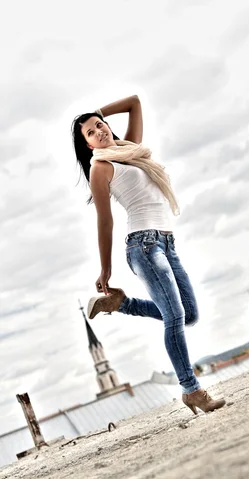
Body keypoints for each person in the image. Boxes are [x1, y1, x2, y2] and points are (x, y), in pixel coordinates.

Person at [71, 94, 225, 415]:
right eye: (91, 133)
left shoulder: (129, 152)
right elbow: (105, 219)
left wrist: (97, 112)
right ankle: (191, 389)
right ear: (87, 146)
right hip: (143, 245)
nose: (99, 131)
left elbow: (135, 102)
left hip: (167, 243)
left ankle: (122, 304)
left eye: (101, 126)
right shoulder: (101, 167)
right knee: (174, 317)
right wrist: (105, 269)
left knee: (189, 314)